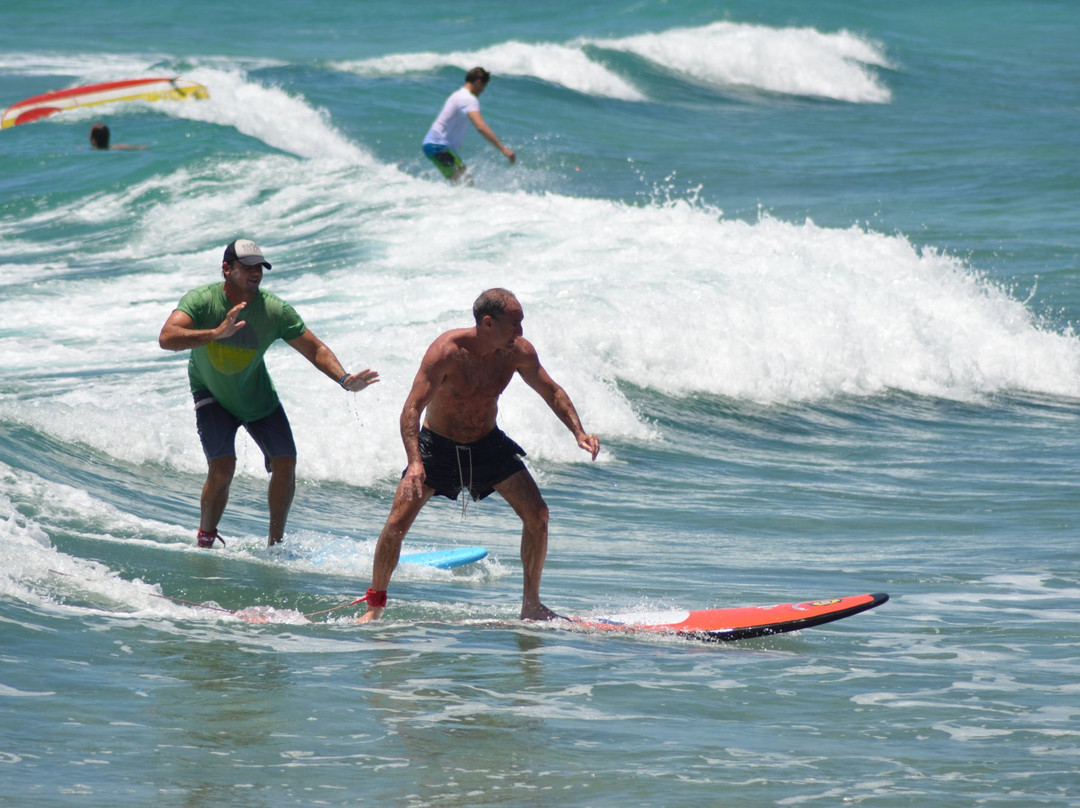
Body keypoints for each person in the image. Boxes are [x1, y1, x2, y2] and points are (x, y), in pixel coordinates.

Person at [356, 288, 600, 623]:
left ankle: (531, 605)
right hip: (436, 447)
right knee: (397, 523)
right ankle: (374, 607)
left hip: (486, 445)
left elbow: (551, 390)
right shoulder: (446, 352)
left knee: (538, 515)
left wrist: (578, 431)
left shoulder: (517, 352)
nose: (520, 331)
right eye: (514, 324)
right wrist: (414, 462)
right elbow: (411, 408)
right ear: (487, 323)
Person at [159, 239, 380, 548]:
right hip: (211, 392)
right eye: (248, 267)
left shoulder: (274, 310)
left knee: (285, 463)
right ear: (227, 269)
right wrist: (215, 333)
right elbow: (167, 337)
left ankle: (275, 546)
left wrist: (344, 379)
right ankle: (205, 539)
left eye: (260, 267)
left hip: (255, 395)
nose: (256, 273)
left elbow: (314, 348)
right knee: (223, 467)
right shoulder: (202, 301)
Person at [422, 67, 515, 183]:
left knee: (461, 184)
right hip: (439, 146)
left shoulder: (457, 95)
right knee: (465, 184)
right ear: (478, 82)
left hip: (434, 144)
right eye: (484, 87)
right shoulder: (469, 99)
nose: (483, 91)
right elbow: (480, 126)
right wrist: (503, 149)